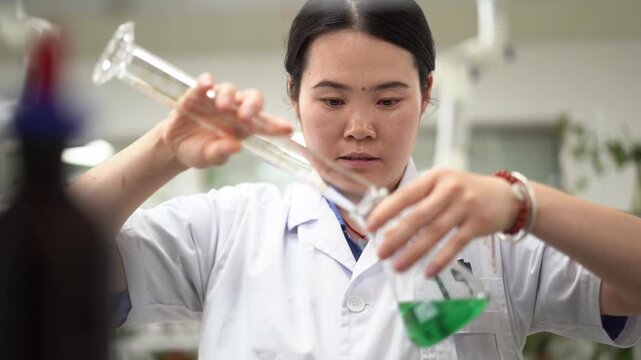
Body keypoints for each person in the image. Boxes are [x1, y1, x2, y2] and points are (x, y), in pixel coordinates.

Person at [70, 0, 641, 358]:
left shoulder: (493, 238)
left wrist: (523, 203)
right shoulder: (229, 230)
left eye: (389, 99)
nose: (361, 128)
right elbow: (37, 255)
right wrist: (165, 150)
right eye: (332, 99)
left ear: (427, 93)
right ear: (294, 95)